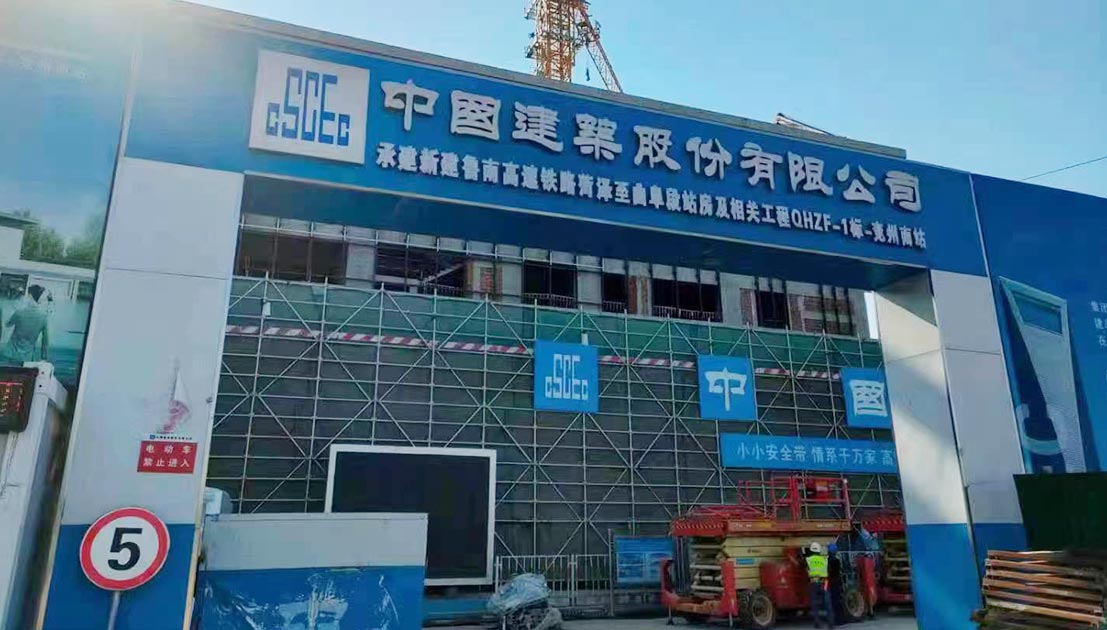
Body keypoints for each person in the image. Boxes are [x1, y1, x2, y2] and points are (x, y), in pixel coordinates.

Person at [1, 284, 50, 365]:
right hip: (28, 357)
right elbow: (45, 341)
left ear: (29, 296)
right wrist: (44, 357)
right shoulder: (43, 317)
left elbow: (7, 324)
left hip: (11, 354)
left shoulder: (19, 312)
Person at [804, 541, 835, 629]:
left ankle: (817, 623)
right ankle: (831, 623)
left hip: (814, 583)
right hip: (824, 583)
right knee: (827, 603)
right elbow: (828, 571)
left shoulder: (808, 560)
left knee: (815, 604)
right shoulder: (824, 560)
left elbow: (805, 568)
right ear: (819, 550)